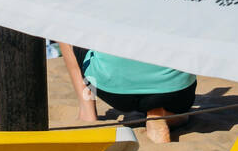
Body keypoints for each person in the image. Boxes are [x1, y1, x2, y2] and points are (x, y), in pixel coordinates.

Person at [61, 44, 196, 145]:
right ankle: (157, 112)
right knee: (182, 116)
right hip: (175, 88)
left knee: (66, 24)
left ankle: (88, 114)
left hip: (115, 86)